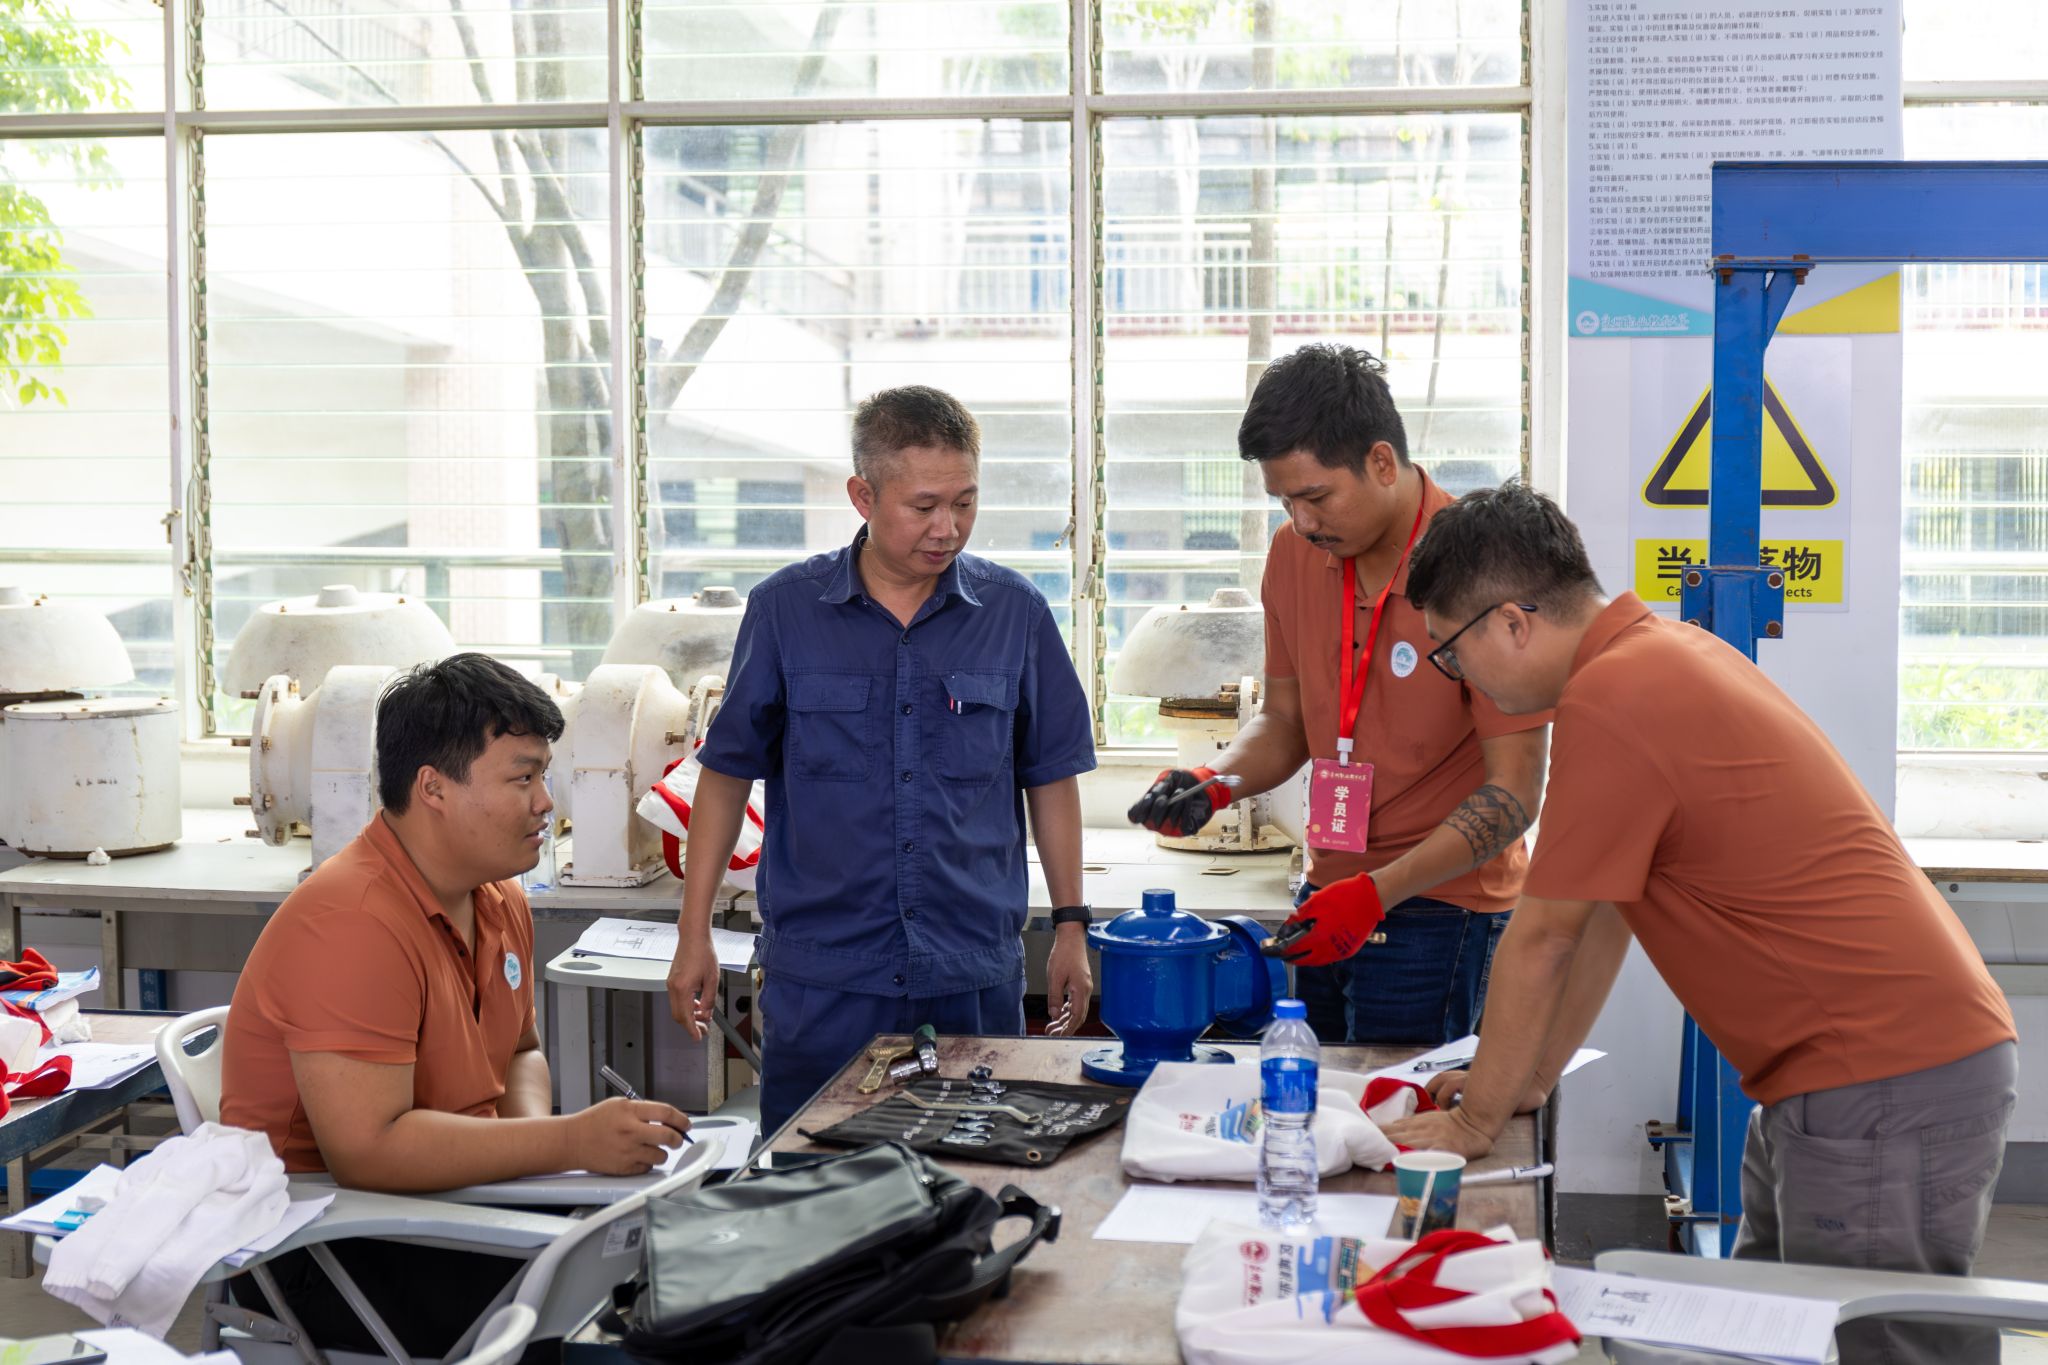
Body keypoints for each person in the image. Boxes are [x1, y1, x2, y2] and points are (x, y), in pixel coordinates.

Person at [1378, 482, 2018, 1365]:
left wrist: (1479, 1118)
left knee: (1879, 1349)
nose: (1461, 678)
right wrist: (1528, 1076)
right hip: (1842, 1074)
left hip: (1882, 1076)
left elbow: (1544, 935)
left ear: (1513, 623)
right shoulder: (1656, 655)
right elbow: (1603, 915)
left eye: (1452, 652)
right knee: (1771, 1338)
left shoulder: (1615, 694)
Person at [221, 653, 691, 1357]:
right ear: (433, 788)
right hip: (324, 1246)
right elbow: (367, 1151)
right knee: (636, 1311)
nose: (546, 803)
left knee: (681, 1248)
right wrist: (564, 1144)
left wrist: (539, 1168)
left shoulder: (497, 894)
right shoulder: (353, 920)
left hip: (449, 1199)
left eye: (545, 775)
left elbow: (522, 1051)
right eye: (522, 778)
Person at [665, 386, 1097, 1137]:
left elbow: (1050, 777)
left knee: (972, 1178)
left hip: (969, 974)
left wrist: (1070, 926)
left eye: (965, 502)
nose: (947, 527)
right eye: (923, 505)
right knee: (813, 1180)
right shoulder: (785, 611)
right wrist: (693, 929)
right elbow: (727, 776)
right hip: (825, 983)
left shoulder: (1015, 614)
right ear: (863, 496)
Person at [1129, 344, 1548, 1045]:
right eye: (1284, 500)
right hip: (1327, 894)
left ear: (1381, 462)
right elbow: (1285, 721)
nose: (1301, 520)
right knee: (1314, 1098)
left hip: (1441, 909)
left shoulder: (1482, 567)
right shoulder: (1294, 554)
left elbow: (1516, 793)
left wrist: (1377, 892)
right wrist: (1215, 782)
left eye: (1316, 496)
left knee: (1398, 1109)